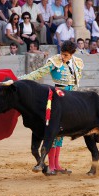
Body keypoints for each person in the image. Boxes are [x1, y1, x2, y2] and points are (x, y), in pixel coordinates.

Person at [19, 40, 84, 175]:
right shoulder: (54, 61)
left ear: (72, 54)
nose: (63, 57)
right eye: (62, 53)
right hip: (57, 99)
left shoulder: (77, 62)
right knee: (54, 132)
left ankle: (57, 164)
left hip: (71, 100)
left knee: (61, 133)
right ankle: (52, 166)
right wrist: (21, 79)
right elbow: (38, 73)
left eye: (66, 55)